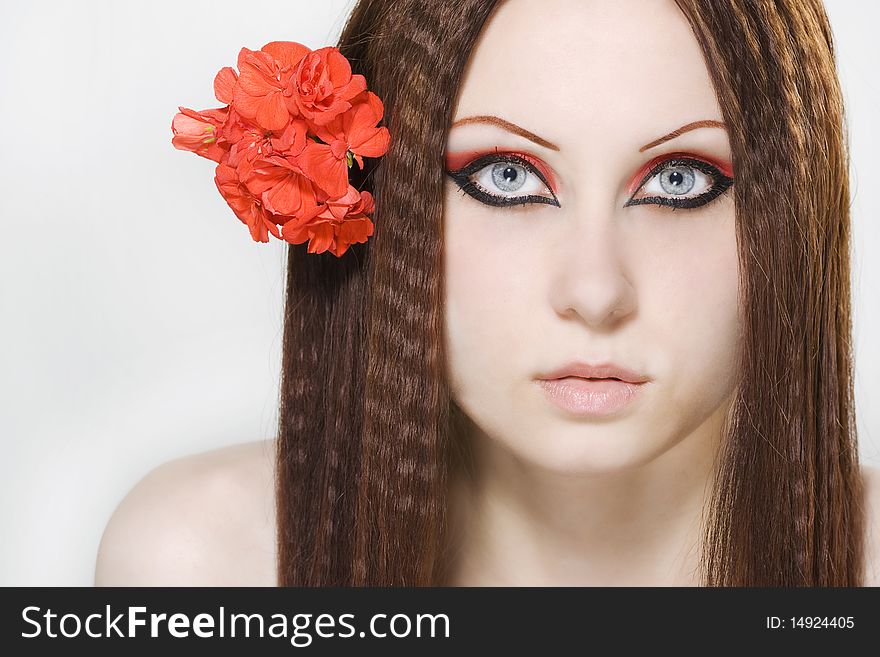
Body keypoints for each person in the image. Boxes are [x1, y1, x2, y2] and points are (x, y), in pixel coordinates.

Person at [95, 0, 880, 586]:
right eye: (507, 178)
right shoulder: (204, 567)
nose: (595, 290)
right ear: (371, 190)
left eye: (680, 181)